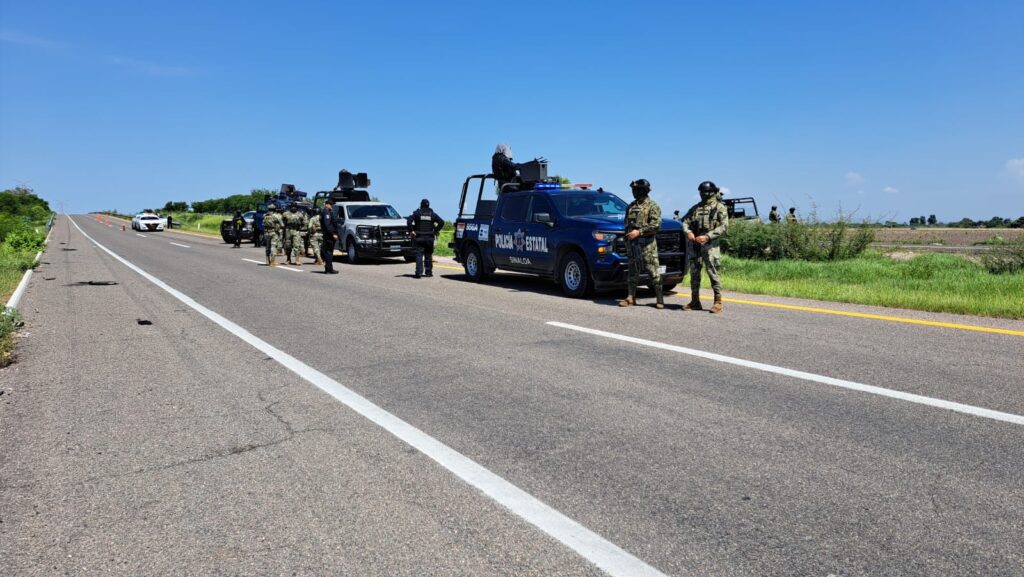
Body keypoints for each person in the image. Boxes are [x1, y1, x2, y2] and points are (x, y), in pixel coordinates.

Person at [681, 180, 730, 313]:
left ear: (713, 192)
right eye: (702, 192)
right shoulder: (696, 208)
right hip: (695, 245)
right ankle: (695, 301)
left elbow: (724, 226)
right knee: (694, 274)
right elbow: (685, 221)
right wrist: (689, 232)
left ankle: (718, 301)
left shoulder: (719, 207)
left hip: (710, 246)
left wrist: (708, 236)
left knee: (713, 273)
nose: (704, 194)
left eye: (706, 192)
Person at [618, 179, 664, 309]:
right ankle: (630, 297)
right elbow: (627, 225)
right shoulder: (631, 206)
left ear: (642, 190)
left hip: (647, 245)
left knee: (654, 273)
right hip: (633, 244)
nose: (634, 192)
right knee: (632, 272)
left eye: (636, 189)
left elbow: (656, 225)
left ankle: (659, 299)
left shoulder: (652, 206)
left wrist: (639, 232)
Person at [407, 198, 445, 278]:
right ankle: (428, 272)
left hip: (419, 237)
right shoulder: (432, 214)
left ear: (421, 205)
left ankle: (419, 272)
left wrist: (411, 231)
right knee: (428, 255)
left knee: (419, 255)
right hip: (429, 237)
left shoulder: (417, 213)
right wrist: (435, 231)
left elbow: (409, 221)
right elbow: (442, 222)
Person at [320, 201, 338, 274]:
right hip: (329, 235)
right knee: (329, 252)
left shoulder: (327, 211)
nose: (331, 206)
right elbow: (328, 225)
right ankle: (329, 269)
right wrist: (333, 233)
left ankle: (328, 268)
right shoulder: (326, 212)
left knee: (328, 252)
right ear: (327, 205)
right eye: (331, 205)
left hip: (328, 235)